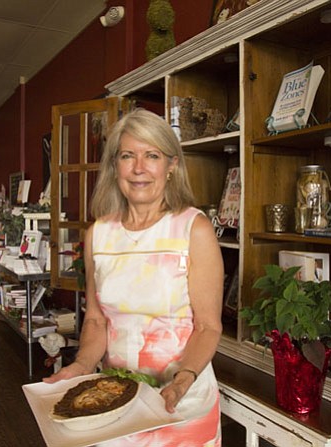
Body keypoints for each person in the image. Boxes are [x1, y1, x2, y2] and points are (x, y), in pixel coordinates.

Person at [43, 109, 224, 446]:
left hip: (181, 405)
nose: (139, 168)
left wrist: (182, 381)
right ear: (115, 166)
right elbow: (97, 320)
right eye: (128, 156)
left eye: (152, 155)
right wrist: (81, 366)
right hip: (115, 401)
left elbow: (208, 326)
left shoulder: (192, 229)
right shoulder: (99, 234)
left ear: (171, 165)